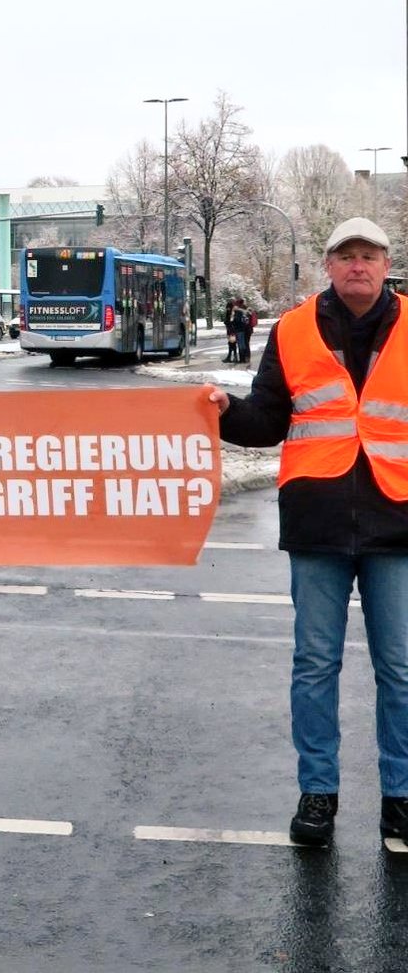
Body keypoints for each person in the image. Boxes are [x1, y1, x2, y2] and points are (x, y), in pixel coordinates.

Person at [207, 216, 408, 847]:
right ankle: (317, 794)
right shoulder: (293, 329)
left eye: (369, 255)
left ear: (385, 264)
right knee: (314, 664)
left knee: (399, 670)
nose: (358, 265)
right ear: (328, 265)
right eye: (346, 255)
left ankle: (399, 798)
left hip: (397, 519)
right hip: (318, 521)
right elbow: (267, 421)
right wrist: (221, 413)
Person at [232, 297, 252, 363]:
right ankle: (247, 357)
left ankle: (242, 359)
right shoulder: (247, 310)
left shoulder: (238, 311)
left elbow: (237, 321)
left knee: (241, 344)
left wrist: (232, 322)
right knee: (246, 344)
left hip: (240, 330)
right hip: (248, 329)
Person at [223, 298, 238, 363]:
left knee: (232, 343)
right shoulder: (232, 312)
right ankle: (231, 356)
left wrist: (226, 322)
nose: (227, 309)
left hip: (231, 330)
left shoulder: (232, 313)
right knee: (231, 343)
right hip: (231, 329)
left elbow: (231, 321)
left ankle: (232, 357)